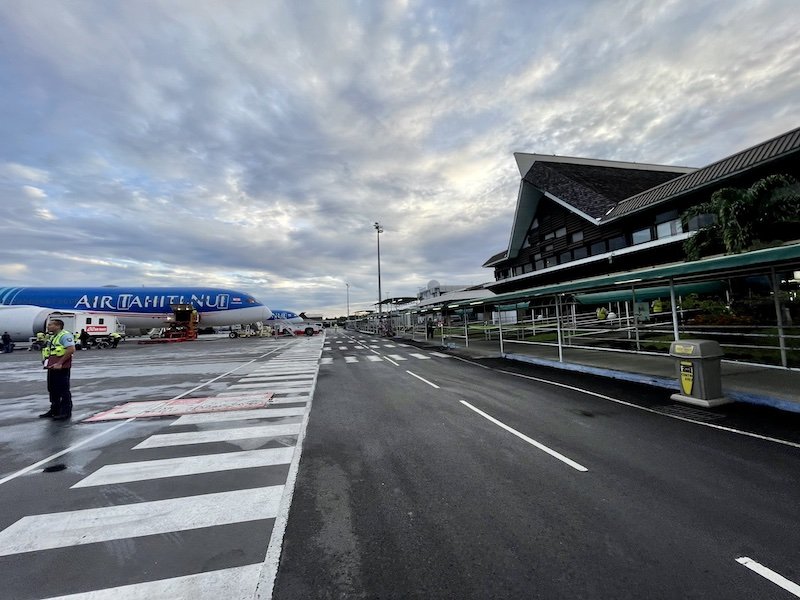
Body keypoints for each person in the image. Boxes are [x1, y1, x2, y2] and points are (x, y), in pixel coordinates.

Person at [40, 319, 76, 420]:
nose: (48, 327)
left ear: (58, 326)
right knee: (52, 388)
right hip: (52, 366)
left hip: (61, 367)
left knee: (63, 389)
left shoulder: (65, 335)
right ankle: (54, 409)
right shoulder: (53, 337)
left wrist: (60, 363)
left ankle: (65, 412)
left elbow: (71, 349)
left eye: (50, 325)